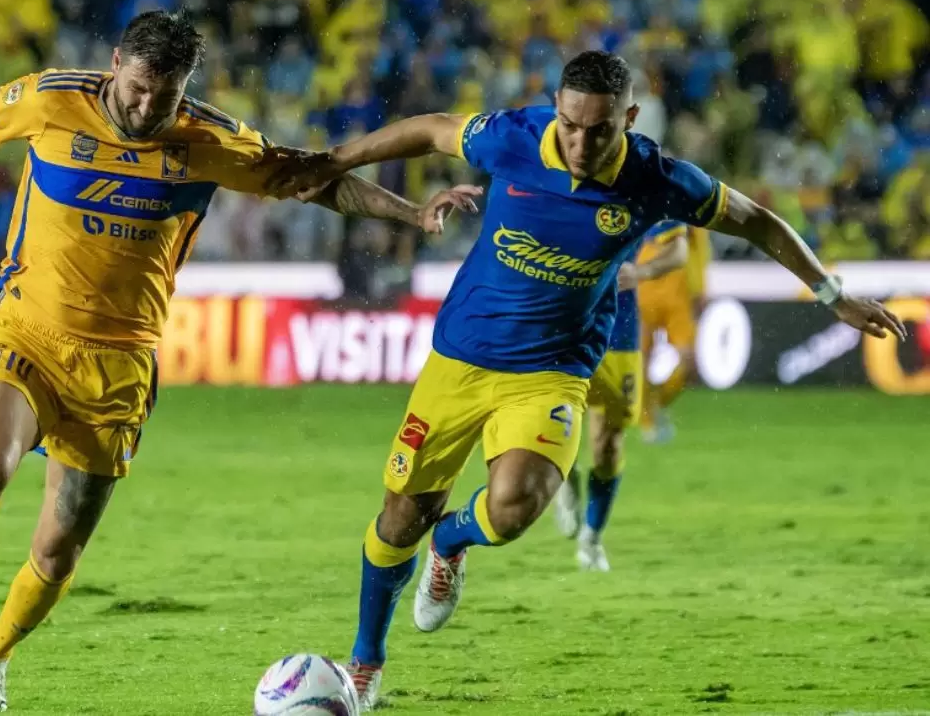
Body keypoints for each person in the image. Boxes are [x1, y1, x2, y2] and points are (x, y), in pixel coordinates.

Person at [0, 10, 478, 711]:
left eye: (164, 96)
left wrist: (413, 215)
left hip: (118, 367)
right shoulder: (50, 100)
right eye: (138, 88)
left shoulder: (209, 139)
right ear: (116, 63)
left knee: (57, 552)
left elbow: (314, 180)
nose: (147, 108)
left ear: (185, 87)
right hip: (26, 331)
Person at [260, 50, 906, 709]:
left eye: (598, 130)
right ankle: (365, 661)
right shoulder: (514, 137)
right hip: (460, 360)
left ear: (628, 119)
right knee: (400, 520)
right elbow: (430, 129)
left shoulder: (657, 179)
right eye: (569, 125)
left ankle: (451, 541)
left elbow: (757, 220)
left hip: (551, 372)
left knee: (514, 509)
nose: (579, 142)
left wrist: (832, 294)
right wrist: (335, 161)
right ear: (556, 110)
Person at [552, 220, 689, 571]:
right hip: (558, 327)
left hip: (617, 333)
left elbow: (679, 250)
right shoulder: (550, 189)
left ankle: (592, 537)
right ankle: (563, 479)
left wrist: (641, 271)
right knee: (557, 427)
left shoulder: (639, 192)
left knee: (608, 443)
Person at [638, 224, 711, 441]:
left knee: (689, 363)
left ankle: (658, 403)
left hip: (679, 295)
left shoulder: (692, 211)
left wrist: (701, 289)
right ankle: (647, 421)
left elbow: (700, 249)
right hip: (643, 289)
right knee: (640, 360)